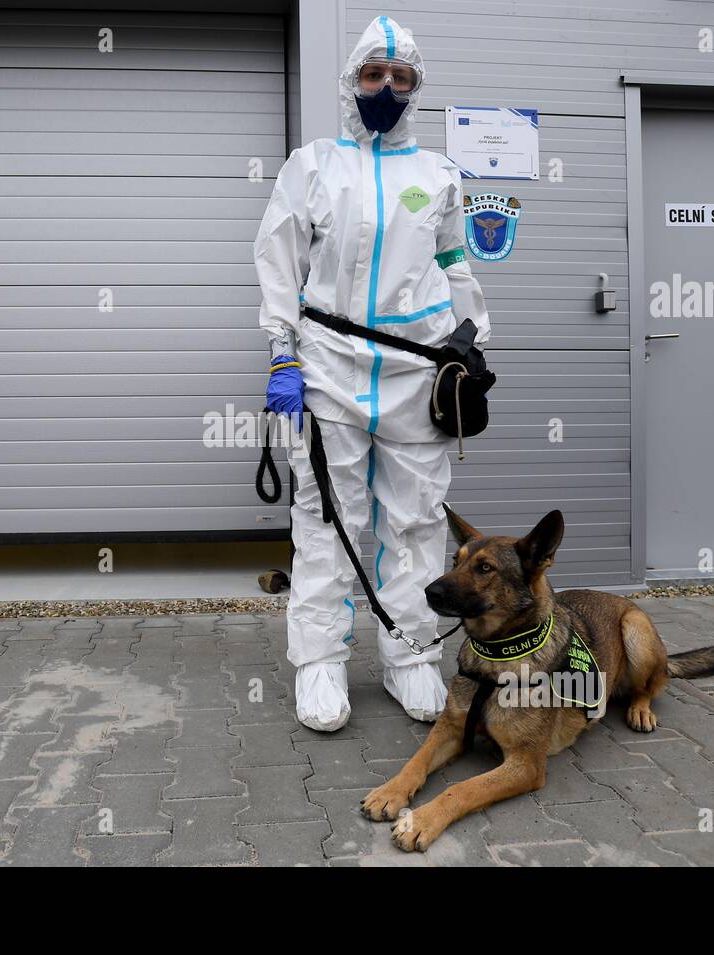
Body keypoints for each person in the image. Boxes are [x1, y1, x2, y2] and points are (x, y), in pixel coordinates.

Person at [254, 15, 492, 732]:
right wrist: (281, 352)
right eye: (373, 75)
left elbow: (456, 266)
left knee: (417, 520)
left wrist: (471, 341)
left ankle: (411, 655)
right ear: (351, 81)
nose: (386, 87)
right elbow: (278, 260)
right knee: (327, 518)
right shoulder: (315, 165)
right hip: (328, 368)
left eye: (401, 77)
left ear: (416, 88)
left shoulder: (437, 175)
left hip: (416, 377)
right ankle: (321, 660)